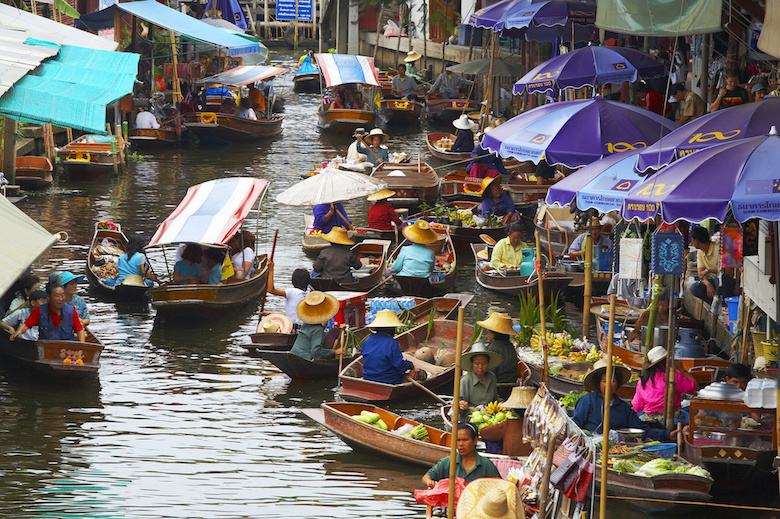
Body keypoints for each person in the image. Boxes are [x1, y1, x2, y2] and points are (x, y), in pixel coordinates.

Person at [572, 359, 683, 441]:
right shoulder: (588, 400)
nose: (609, 385)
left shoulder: (622, 407)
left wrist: (667, 435)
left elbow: (641, 428)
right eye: (604, 381)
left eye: (612, 380)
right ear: (599, 383)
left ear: (617, 383)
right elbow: (575, 426)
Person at [422, 423, 501, 488]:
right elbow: (426, 477)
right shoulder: (448, 462)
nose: (461, 444)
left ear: (475, 440)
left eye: (465, 440)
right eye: (458, 440)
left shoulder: (486, 465)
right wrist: (430, 482)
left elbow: (500, 487)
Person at [632, 346, 697, 420]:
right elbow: (693, 387)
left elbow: (637, 406)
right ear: (663, 361)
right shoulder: (673, 376)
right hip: (672, 418)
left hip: (648, 418)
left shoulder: (642, 381)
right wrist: (681, 369)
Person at [10, 283, 85, 343]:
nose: (61, 299)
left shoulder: (71, 311)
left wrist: (82, 346)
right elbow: (26, 325)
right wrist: (19, 331)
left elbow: (79, 330)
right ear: (48, 297)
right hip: (47, 348)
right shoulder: (40, 310)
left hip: (67, 349)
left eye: (62, 295)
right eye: (57, 296)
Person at [360, 309, 413, 384]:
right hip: (389, 380)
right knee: (411, 374)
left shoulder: (367, 340)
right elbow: (399, 365)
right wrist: (409, 365)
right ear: (391, 328)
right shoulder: (392, 342)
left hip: (368, 378)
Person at [290, 291, 344, 360]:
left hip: (294, 354)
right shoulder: (318, 329)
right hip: (305, 359)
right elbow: (316, 352)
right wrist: (335, 351)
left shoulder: (306, 324)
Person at [690, 226, 735, 304]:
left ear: (696, 241)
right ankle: (716, 305)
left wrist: (708, 270)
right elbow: (700, 274)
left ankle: (724, 305)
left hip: (727, 282)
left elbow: (728, 271)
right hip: (713, 283)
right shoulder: (700, 252)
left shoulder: (718, 249)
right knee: (694, 288)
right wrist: (707, 284)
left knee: (718, 277)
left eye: (692, 240)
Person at [477, 312, 519, 384]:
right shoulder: (510, 345)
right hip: (512, 381)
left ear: (493, 334)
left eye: (488, 332)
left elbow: (491, 371)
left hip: (498, 383)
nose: (487, 335)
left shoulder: (493, 347)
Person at [264, 260, 310, 326]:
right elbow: (289, 313)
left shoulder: (292, 292)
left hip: (292, 326)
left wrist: (271, 269)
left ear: (293, 281)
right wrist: (268, 314)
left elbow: (271, 290)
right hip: (302, 327)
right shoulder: (307, 295)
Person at [459, 343, 502, 411]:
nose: (480, 367)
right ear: (472, 363)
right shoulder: (465, 381)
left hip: (490, 414)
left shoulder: (492, 377)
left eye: (484, 363)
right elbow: (458, 401)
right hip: (471, 416)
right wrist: (461, 404)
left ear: (488, 363)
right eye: (477, 364)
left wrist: (501, 402)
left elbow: (494, 398)